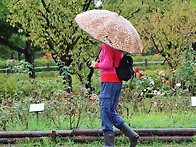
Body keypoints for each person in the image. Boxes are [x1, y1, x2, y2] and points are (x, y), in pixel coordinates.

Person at [91, 43, 139, 147]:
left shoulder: (107, 44)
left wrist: (96, 64)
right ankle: (131, 135)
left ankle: (108, 145)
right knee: (111, 112)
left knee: (105, 111)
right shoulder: (117, 44)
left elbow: (107, 64)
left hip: (109, 81)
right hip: (116, 81)